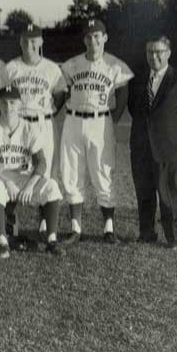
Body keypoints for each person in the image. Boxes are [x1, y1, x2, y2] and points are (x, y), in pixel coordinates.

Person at [59, 18, 133, 244]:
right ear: (84, 39)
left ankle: (108, 228)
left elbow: (123, 93)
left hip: (100, 121)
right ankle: (75, 228)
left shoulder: (115, 65)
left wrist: (113, 118)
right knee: (71, 172)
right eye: (89, 37)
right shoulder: (71, 65)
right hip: (73, 120)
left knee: (103, 171)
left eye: (97, 37)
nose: (93, 41)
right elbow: (61, 92)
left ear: (105, 38)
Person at [127, 35, 177, 249]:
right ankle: (146, 233)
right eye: (150, 52)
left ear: (168, 53)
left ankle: (176, 236)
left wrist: (174, 131)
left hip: (170, 147)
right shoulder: (138, 80)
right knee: (144, 191)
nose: (154, 56)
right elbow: (135, 109)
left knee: (171, 191)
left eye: (159, 51)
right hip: (142, 145)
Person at [0, 24, 66, 237]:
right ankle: (9, 216)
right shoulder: (11, 68)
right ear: (20, 42)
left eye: (34, 41)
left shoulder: (52, 68)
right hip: (17, 122)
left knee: (46, 171)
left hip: (43, 122)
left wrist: (48, 113)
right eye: (26, 41)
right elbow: (2, 94)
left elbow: (59, 96)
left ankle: (45, 220)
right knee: (13, 165)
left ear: (41, 42)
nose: (30, 45)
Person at [0, 87, 64, 258]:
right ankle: (2, 242)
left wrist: (29, 186)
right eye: (4, 102)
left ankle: (52, 240)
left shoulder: (29, 128)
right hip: (1, 177)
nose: (8, 107)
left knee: (51, 186)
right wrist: (7, 182)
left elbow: (42, 162)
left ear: (20, 104)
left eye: (13, 102)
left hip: (24, 177)